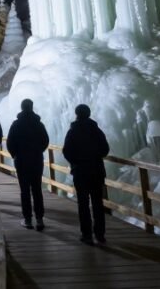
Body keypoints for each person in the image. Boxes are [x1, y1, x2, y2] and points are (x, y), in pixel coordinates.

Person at [62, 104, 110, 245]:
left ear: (77, 114)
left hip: (80, 172)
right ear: (88, 114)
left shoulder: (73, 131)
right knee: (97, 203)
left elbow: (67, 151)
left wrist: (76, 162)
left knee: (83, 204)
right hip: (96, 171)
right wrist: (95, 158)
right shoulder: (96, 131)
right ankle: (100, 234)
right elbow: (105, 149)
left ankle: (87, 234)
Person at [6, 98, 50, 230]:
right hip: (36, 160)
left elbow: (10, 142)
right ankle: (40, 219)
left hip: (22, 161)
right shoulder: (39, 124)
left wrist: (16, 154)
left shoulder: (16, 124)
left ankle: (28, 219)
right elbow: (45, 140)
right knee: (37, 190)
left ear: (22, 107)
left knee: (24, 191)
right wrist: (38, 151)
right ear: (32, 107)